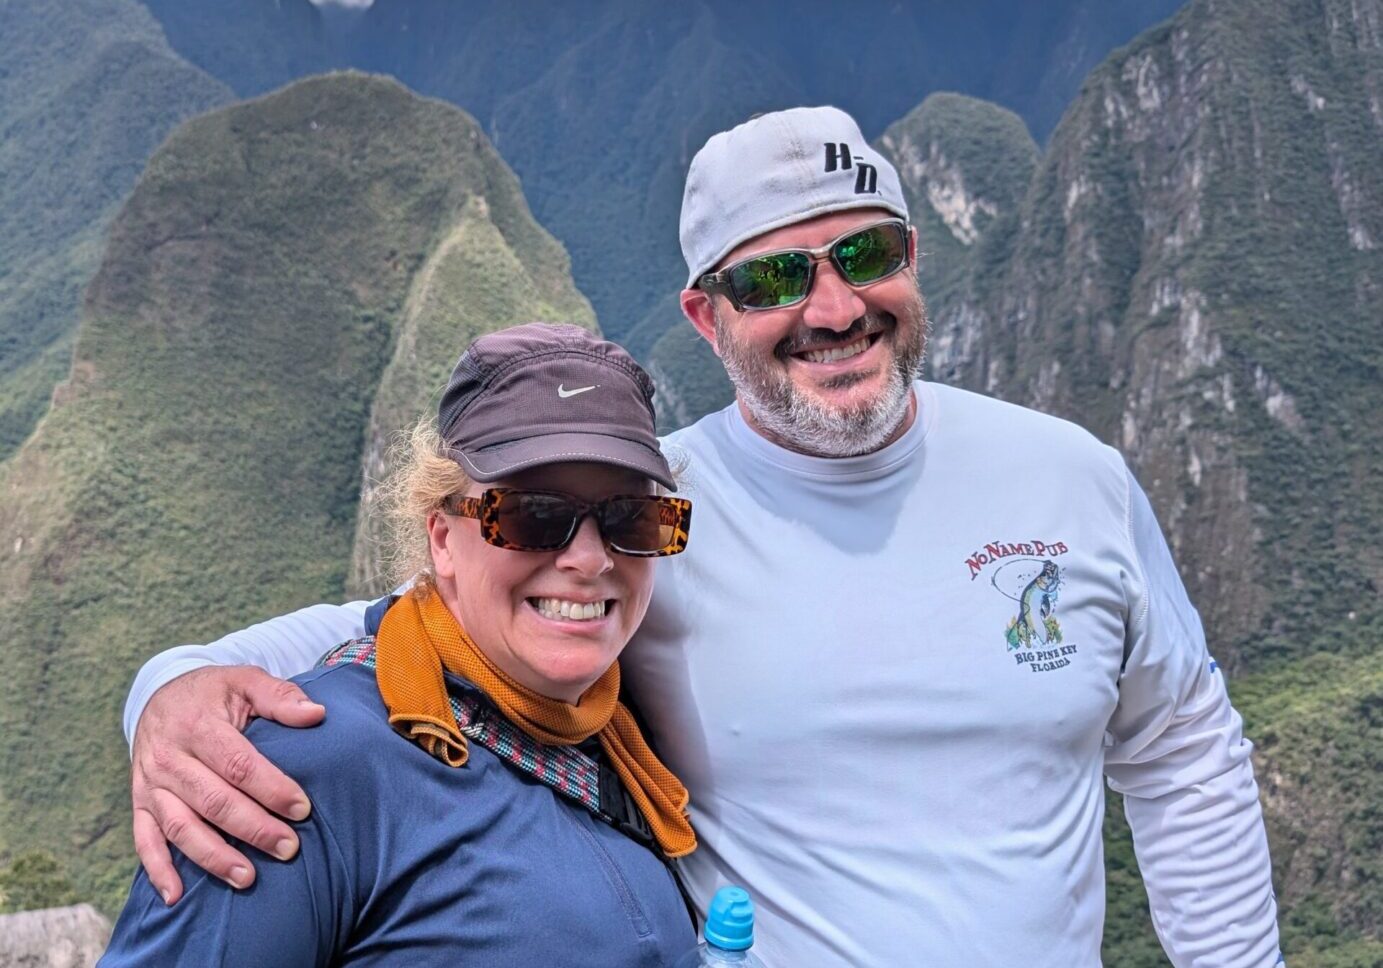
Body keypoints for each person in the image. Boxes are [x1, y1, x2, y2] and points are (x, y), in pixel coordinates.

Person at [122, 108, 1284, 966]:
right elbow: (397, 626)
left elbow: (1182, 747)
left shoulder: (1072, 478)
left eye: (867, 255)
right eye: (777, 275)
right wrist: (170, 693)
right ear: (705, 314)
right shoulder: (639, 521)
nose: (836, 307)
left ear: (913, 257)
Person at [101, 324, 698, 965]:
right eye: (533, 516)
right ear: (442, 538)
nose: (588, 558)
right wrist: (162, 689)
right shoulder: (298, 775)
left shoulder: (619, 735)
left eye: (631, 518)